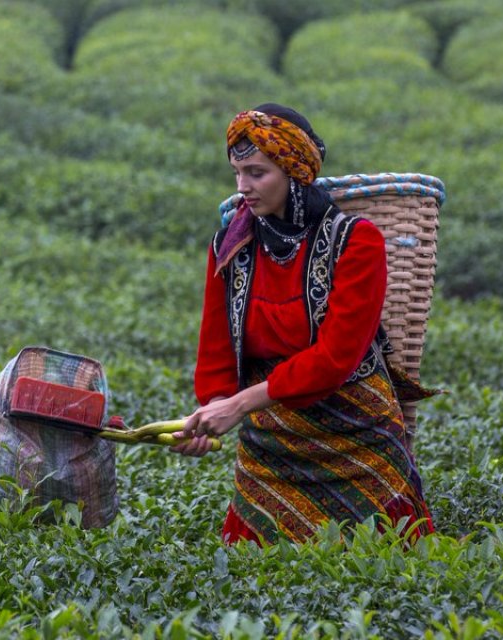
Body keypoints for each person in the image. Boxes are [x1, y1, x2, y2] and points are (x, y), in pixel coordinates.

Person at [171, 104, 435, 546]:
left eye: (257, 173)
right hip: (270, 447)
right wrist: (211, 409)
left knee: (384, 558)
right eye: (237, 173)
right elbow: (216, 348)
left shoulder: (356, 241)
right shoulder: (230, 246)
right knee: (256, 566)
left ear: (294, 171)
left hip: (356, 437)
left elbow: (335, 358)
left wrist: (238, 405)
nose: (243, 187)